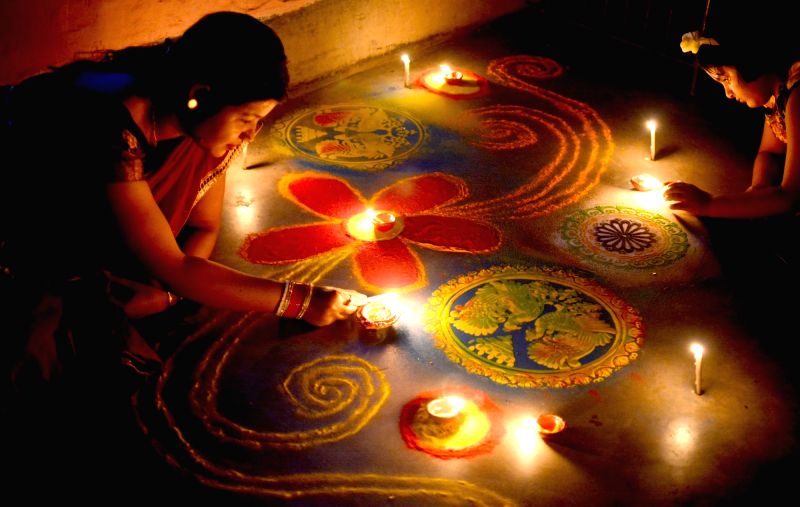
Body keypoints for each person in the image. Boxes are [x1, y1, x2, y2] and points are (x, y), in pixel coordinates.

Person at [0, 11, 367, 391]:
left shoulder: (197, 130)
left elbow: (202, 228)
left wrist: (170, 294)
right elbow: (177, 265)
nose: (249, 135)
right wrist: (303, 301)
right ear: (199, 96)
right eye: (245, 118)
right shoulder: (112, 129)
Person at [665, 29, 800, 218]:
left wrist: (709, 204)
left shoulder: (797, 96)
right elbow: (770, 152)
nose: (728, 93)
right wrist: (759, 188)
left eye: (727, 79)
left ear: (750, 62)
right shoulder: (776, 96)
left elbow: (790, 197)